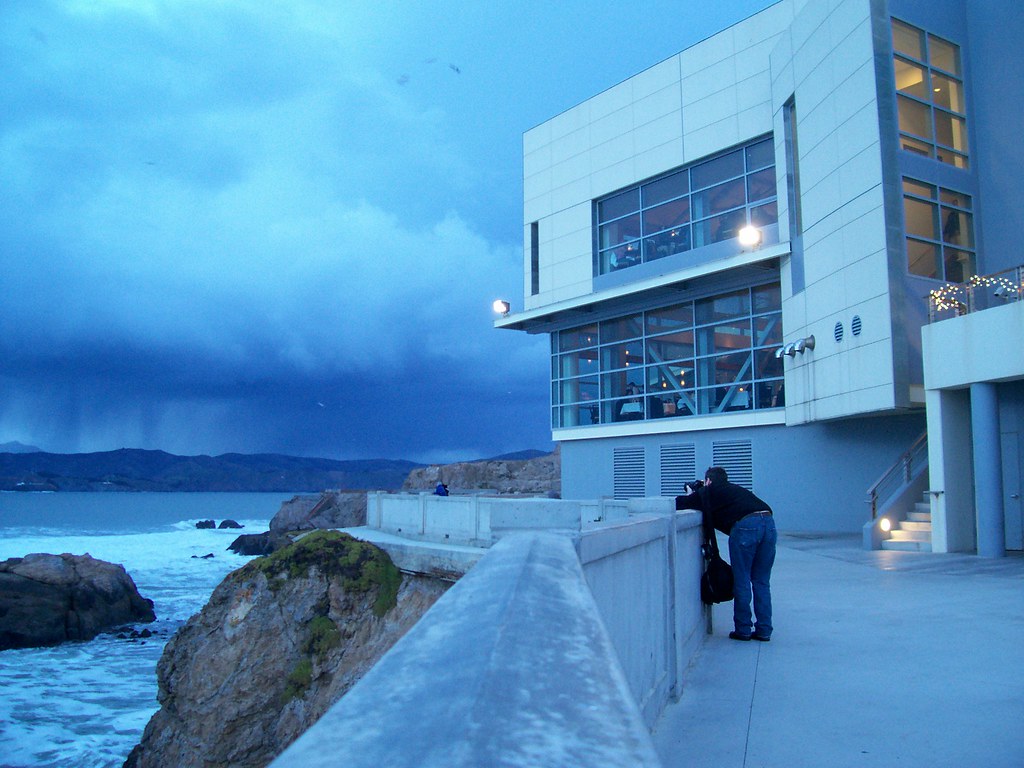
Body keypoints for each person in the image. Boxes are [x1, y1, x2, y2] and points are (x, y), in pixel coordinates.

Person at [675, 466, 777, 641]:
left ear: (708, 480)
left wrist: (691, 492)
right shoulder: (734, 489)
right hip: (768, 522)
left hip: (746, 526)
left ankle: (743, 629)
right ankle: (764, 630)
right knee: (761, 581)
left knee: (742, 578)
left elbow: (679, 504)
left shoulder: (709, 491)